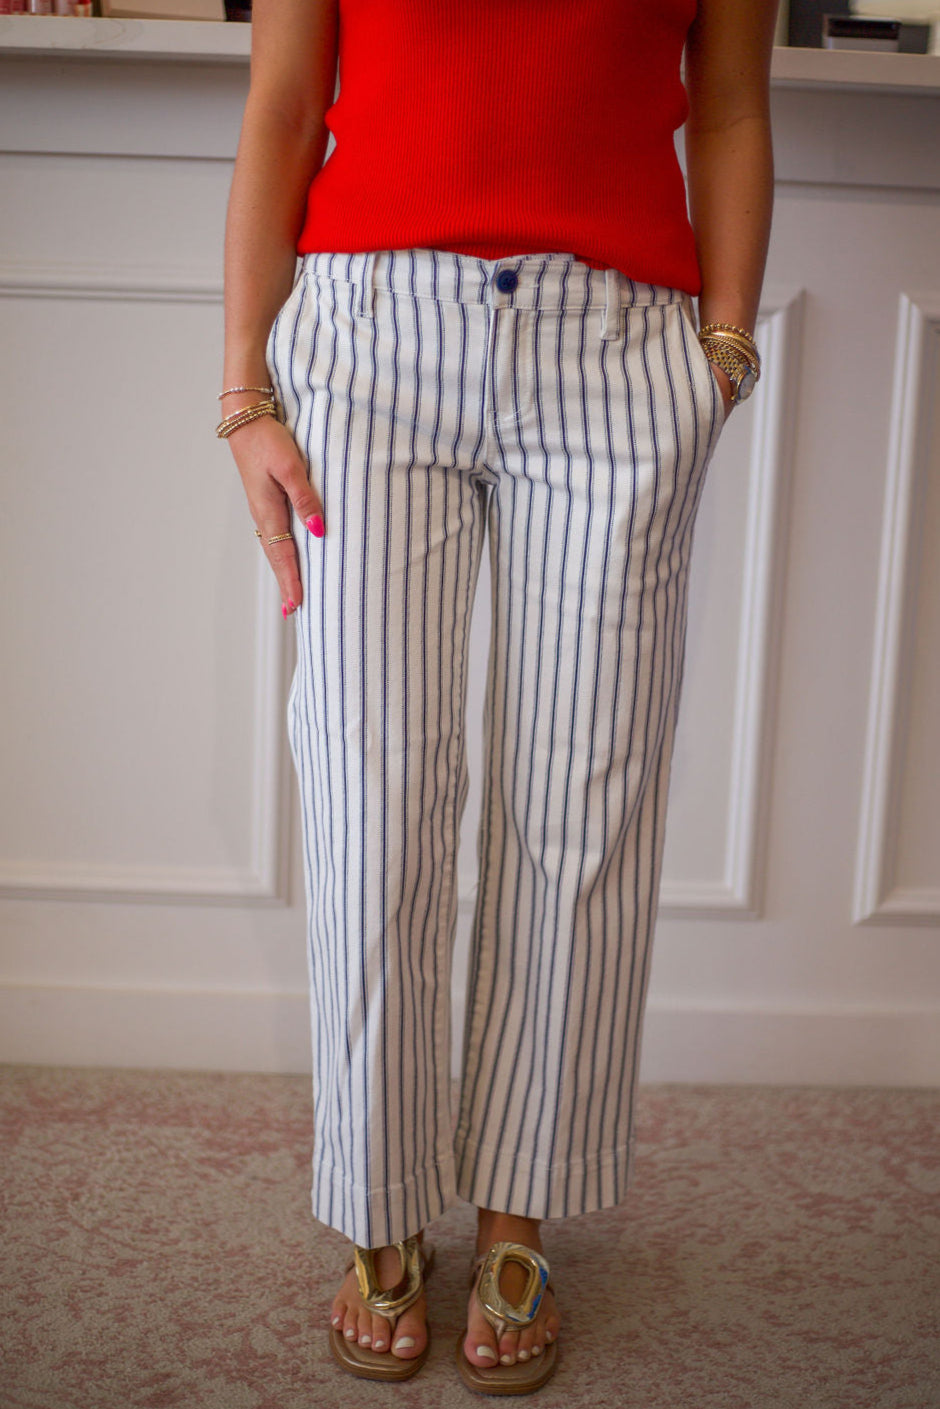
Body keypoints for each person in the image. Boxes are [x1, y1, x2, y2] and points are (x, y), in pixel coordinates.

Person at [220, 0, 777, 1393]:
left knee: (582, 796)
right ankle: (382, 1207)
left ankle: (519, 1217)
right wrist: (243, 390)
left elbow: (729, 103)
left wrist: (723, 351)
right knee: (372, 789)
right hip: (368, 341)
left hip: (619, 350)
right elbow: (285, 102)